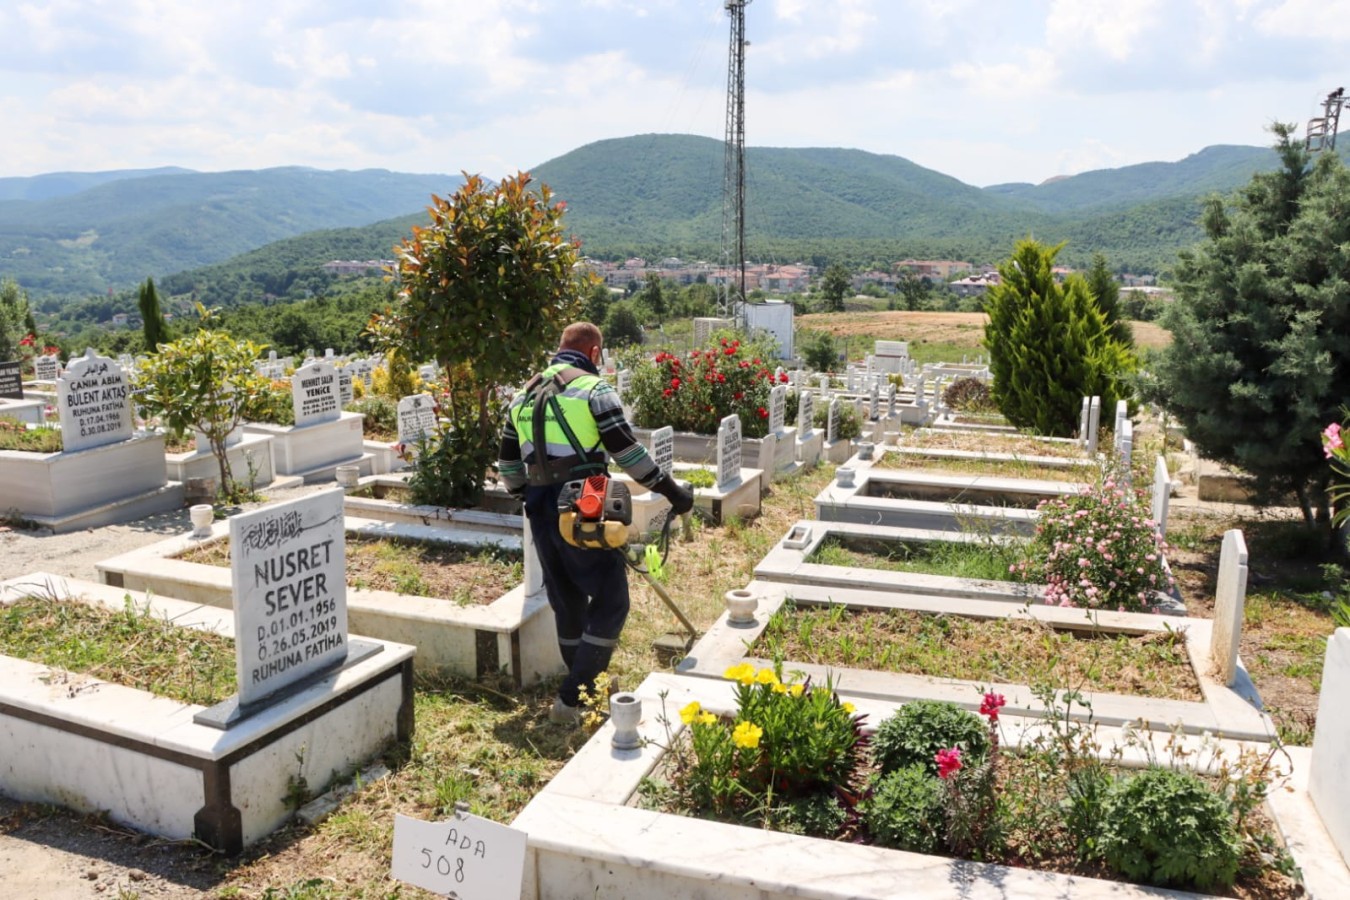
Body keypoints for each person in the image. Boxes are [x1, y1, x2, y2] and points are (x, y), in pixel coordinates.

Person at [497, 322, 695, 725]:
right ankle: (570, 698)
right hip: (585, 506)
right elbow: (625, 450)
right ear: (593, 353)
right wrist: (673, 492)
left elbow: (508, 466)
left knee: (567, 601)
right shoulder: (594, 390)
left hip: (539, 507)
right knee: (611, 601)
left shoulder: (521, 395)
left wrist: (531, 498)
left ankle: (584, 689)